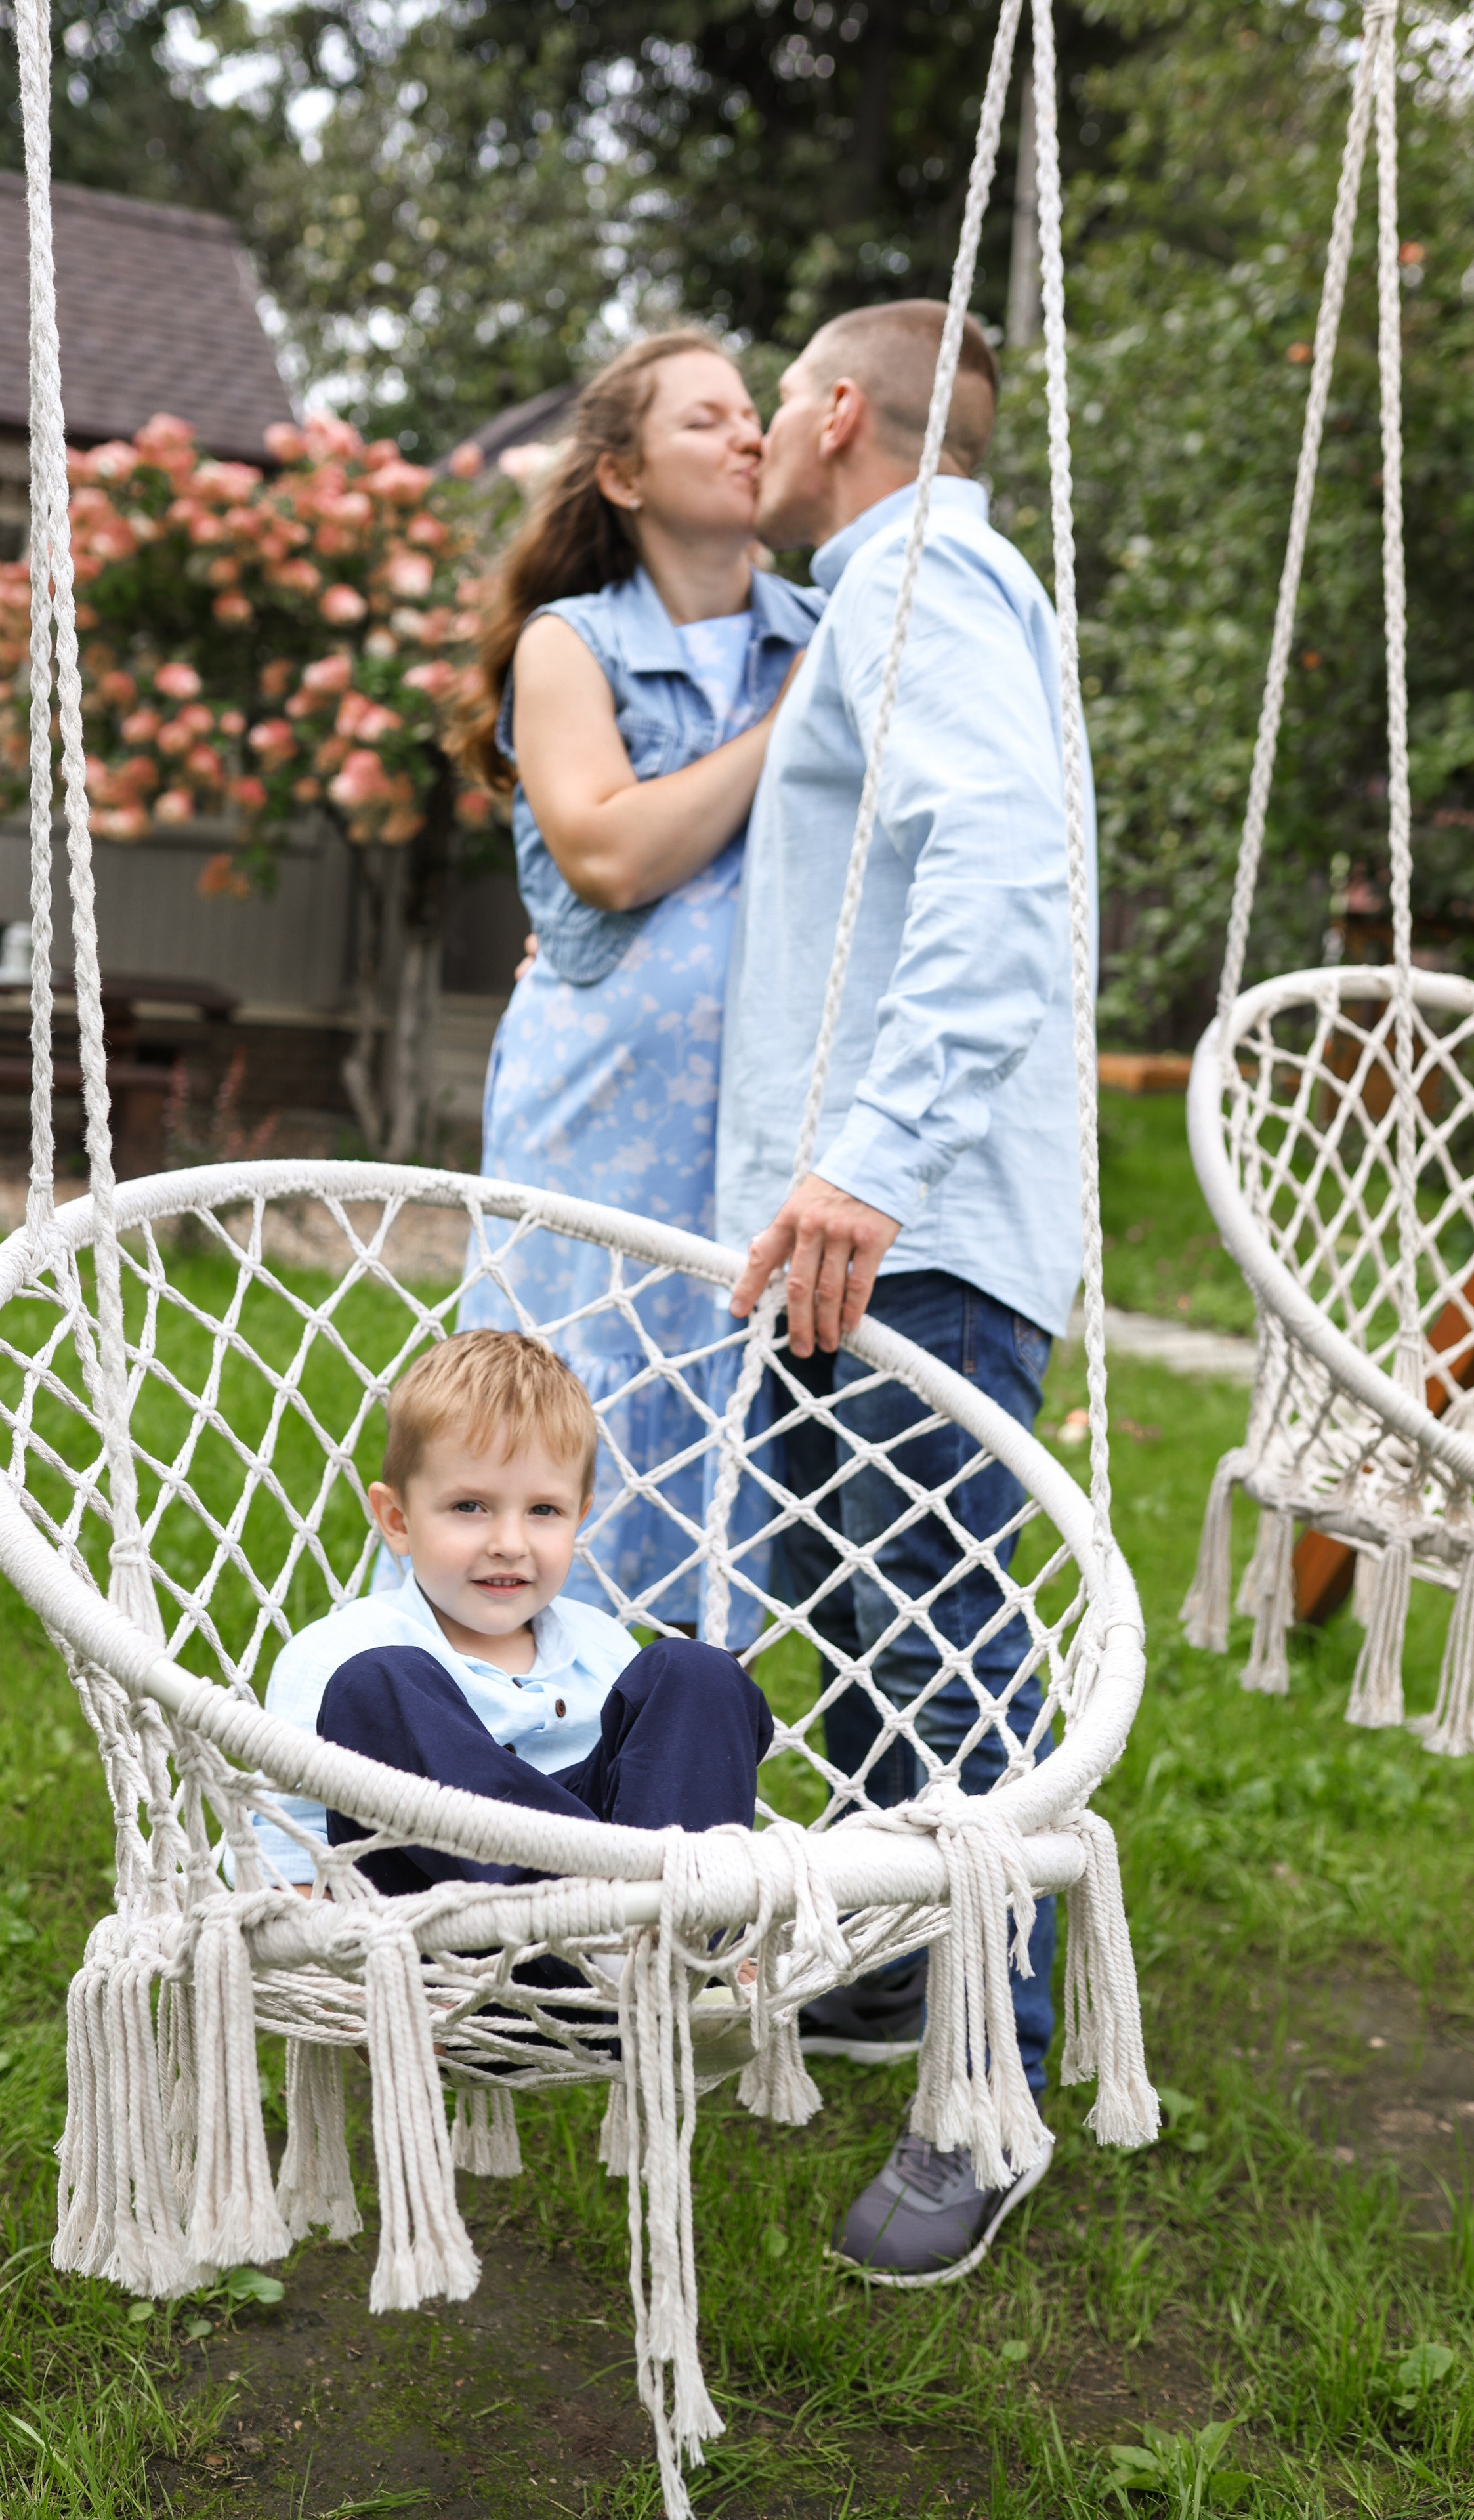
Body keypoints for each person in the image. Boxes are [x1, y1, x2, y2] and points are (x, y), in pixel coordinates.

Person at [717, 300, 1097, 2284]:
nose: (765, 431)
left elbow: (1002, 864)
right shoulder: (897, 586)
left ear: (842, 412)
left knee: (936, 1641)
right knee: (857, 1618)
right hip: (854, 1221)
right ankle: (886, 1964)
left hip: (908, 1216)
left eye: (778, 398)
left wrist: (871, 1154)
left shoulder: (914, 566)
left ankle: (991, 2072)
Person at [451, 333, 820, 1638]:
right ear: (618, 474)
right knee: (548, 1424)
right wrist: (785, 730)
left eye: (750, 415)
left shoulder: (821, 631)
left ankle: (657, 1788)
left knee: (711, 1433)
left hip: (765, 1117)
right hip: (596, 1112)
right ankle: (466, 1767)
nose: (746, 436)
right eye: (703, 422)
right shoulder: (572, 644)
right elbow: (606, 853)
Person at [252, 1331, 772, 1910]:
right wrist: (318, 1959)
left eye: (544, 1511)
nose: (509, 1543)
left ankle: (688, 1917)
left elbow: (671, 1781)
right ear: (396, 1519)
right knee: (375, 1685)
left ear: (579, 1518)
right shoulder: (336, 1652)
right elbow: (288, 1844)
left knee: (699, 1670)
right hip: (438, 1933)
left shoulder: (604, 1648)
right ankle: (593, 1913)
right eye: (469, 1507)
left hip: (635, 1934)